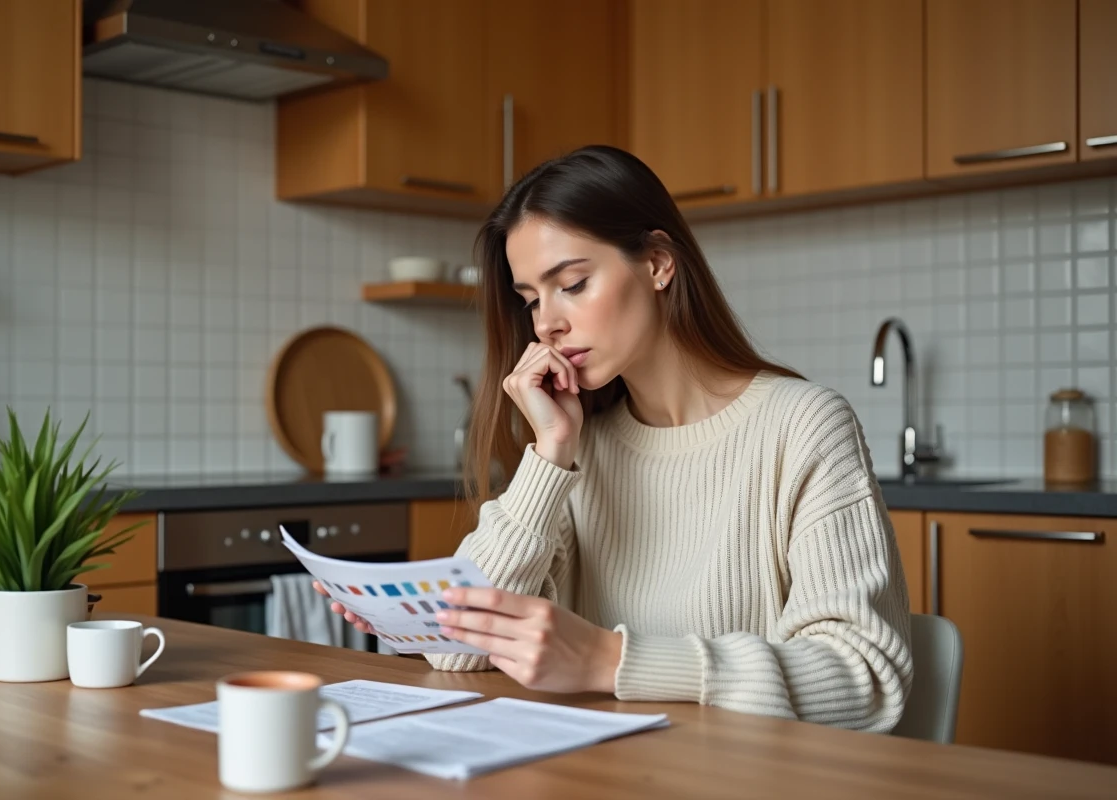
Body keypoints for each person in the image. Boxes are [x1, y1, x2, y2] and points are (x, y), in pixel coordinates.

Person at [318, 145, 913, 732]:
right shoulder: (581, 448)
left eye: (572, 283)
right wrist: (549, 454)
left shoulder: (805, 427)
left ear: (657, 263)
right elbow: (458, 654)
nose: (546, 322)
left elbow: (863, 679)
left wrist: (610, 661)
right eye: (530, 299)